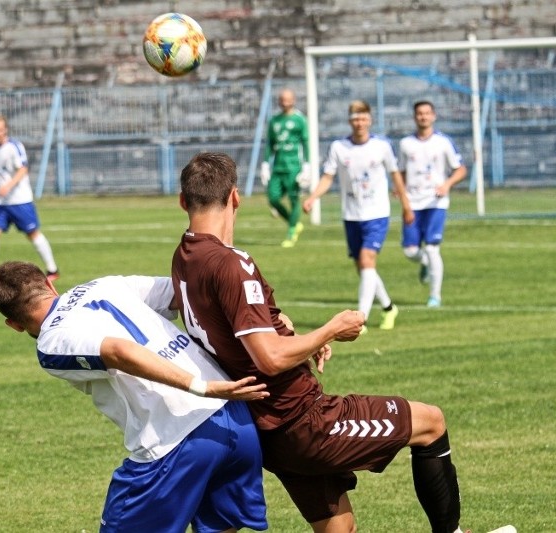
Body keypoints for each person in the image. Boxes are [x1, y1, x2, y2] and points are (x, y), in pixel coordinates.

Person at [172, 152, 471, 533]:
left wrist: (294, 334)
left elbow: (238, 323)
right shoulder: (231, 263)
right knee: (430, 422)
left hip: (266, 429)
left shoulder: (184, 256)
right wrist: (330, 329)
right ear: (235, 197)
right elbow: (269, 356)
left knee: (338, 526)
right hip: (303, 420)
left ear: (183, 201)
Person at [0, 260, 269, 533]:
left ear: (13, 324)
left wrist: (200, 386)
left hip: (176, 440)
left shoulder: (51, 343)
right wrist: (275, 321)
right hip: (236, 421)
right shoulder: (104, 285)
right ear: (50, 284)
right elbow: (190, 292)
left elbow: (118, 352)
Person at [302, 100, 408, 332]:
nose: (359, 123)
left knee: (368, 260)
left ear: (369, 120)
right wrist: (313, 197)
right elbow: (328, 177)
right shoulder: (339, 148)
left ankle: (361, 319)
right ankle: (389, 307)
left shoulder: (382, 146)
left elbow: (396, 175)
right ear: (350, 121)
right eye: (355, 119)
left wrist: (406, 205)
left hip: (377, 213)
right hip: (352, 214)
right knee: (363, 267)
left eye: (363, 118)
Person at [0, 114, 59, 285]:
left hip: (20, 200)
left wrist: (8, 185)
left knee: (33, 234)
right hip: (0, 202)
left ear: (5, 129)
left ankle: (52, 270)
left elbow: (23, 169)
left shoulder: (15, 146)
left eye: (0, 130)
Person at [397, 100, 467, 308]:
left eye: (427, 113)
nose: (423, 117)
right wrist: (400, 192)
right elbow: (400, 172)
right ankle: (426, 263)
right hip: (412, 202)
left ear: (434, 116)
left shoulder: (443, 142)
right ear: (414, 117)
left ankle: (435, 297)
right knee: (410, 251)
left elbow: (461, 169)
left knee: (432, 248)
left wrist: (447, 184)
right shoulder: (406, 144)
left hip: (436, 202)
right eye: (420, 113)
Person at [260, 88, 310, 248]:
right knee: (273, 198)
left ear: (293, 100)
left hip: (294, 167)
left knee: (294, 200)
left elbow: (305, 143)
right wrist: (265, 164)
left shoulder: (300, 120)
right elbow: (270, 144)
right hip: (278, 167)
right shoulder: (274, 121)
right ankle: (293, 223)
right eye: (282, 99)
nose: (285, 102)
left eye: (288, 99)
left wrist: (306, 166)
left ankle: (291, 234)